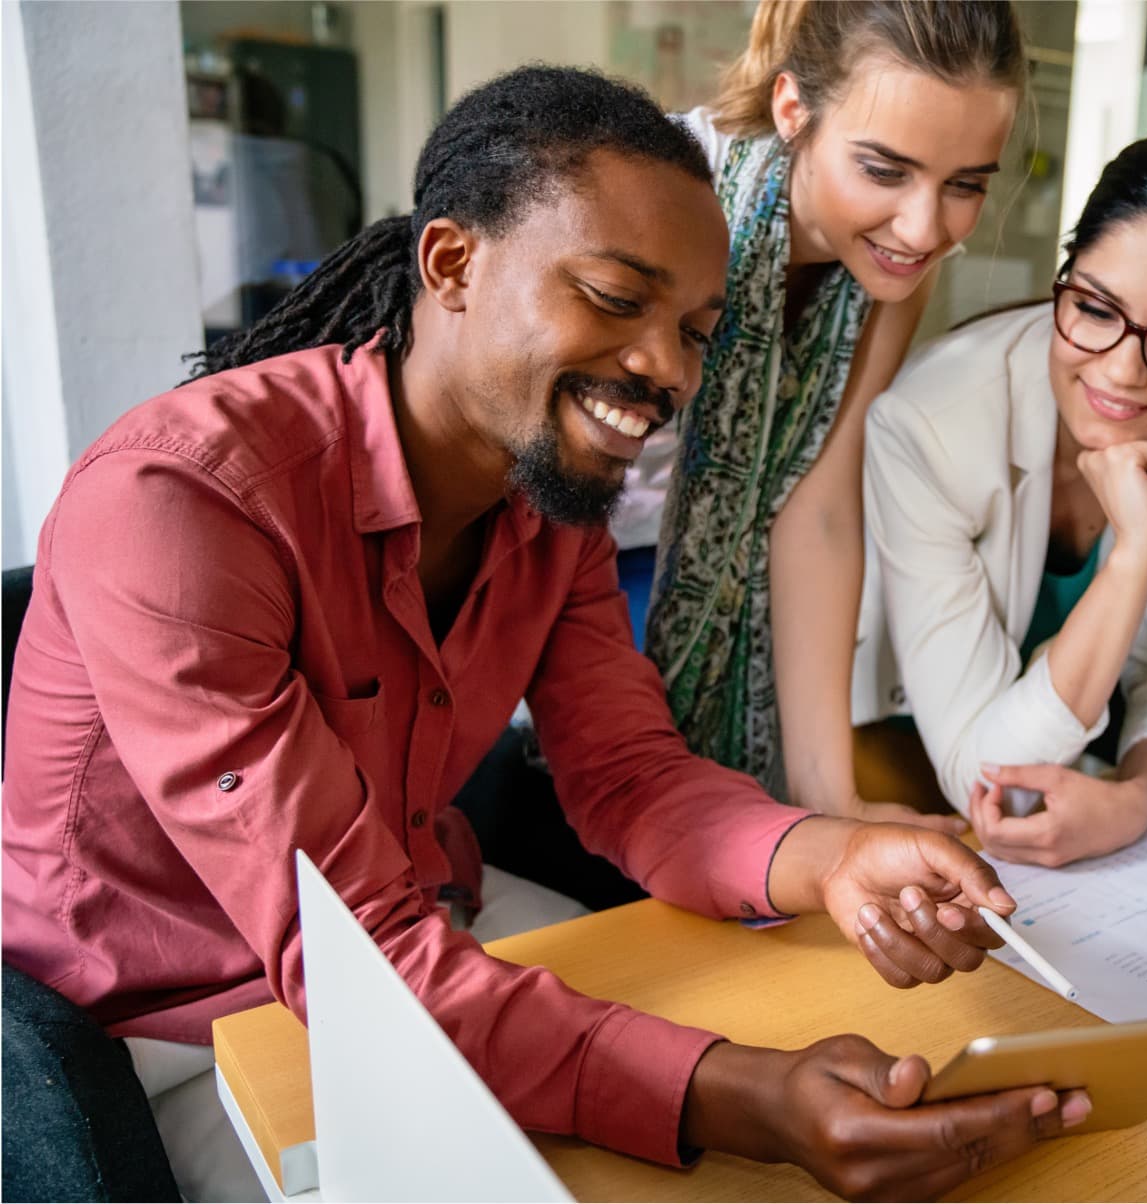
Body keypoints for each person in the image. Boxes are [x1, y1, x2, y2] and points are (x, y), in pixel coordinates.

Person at [0, 68, 1087, 1204]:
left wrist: (839, 858)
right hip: (167, 1040)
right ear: (452, 265)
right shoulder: (180, 505)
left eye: (695, 331)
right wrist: (744, 1098)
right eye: (616, 298)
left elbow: (628, 776)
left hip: (424, 924)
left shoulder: (548, 502)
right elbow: (356, 958)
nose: (666, 367)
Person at [854, 130, 1147, 868]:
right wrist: (1136, 556)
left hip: (1068, 760)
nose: (1122, 373)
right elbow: (981, 775)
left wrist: (1137, 797)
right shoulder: (930, 425)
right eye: (1093, 307)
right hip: (889, 754)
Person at [645, 0, 1023, 831]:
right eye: (885, 171)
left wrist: (833, 805)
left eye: (964, 185)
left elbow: (816, 507)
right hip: (587, 593)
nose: (924, 227)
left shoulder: (895, 260)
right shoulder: (668, 197)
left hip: (735, 641)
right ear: (792, 108)